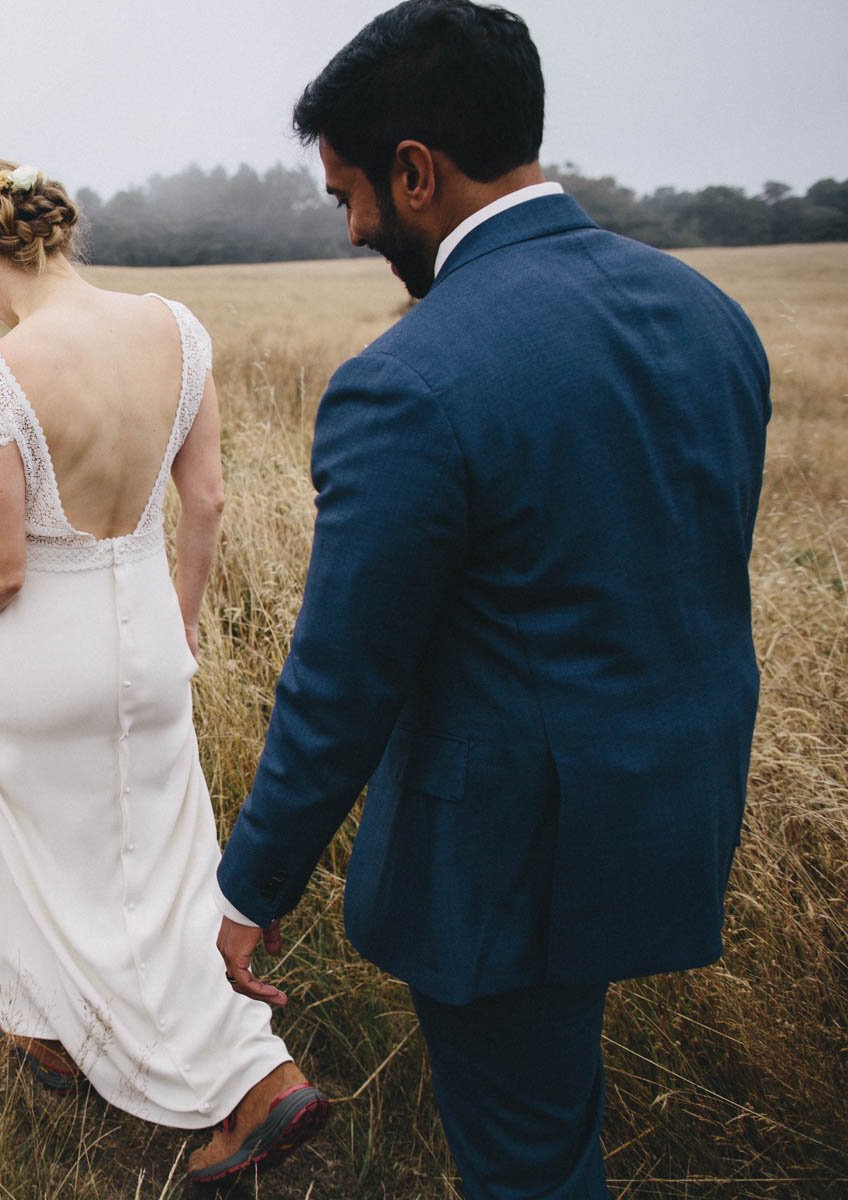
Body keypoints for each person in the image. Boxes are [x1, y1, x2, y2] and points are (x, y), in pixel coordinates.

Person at [211, 3, 771, 1197]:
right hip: (671, 806)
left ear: (416, 172)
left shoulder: (409, 381)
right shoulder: (711, 318)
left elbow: (344, 678)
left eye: (348, 193)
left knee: (528, 1157)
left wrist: (250, 884)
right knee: (555, 1103)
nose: (354, 225)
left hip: (509, 857)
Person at [0, 158, 329, 1185]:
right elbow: (208, 505)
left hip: (35, 658)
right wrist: (175, 631)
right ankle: (241, 1071)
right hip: (147, 634)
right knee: (166, 859)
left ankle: (82, 1037)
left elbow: (0, 565)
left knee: (25, 841)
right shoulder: (178, 332)